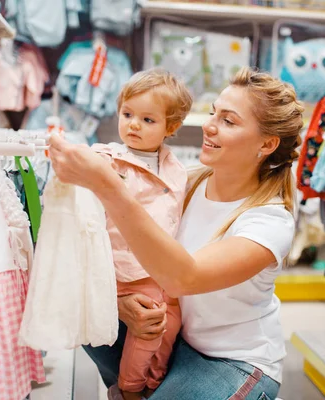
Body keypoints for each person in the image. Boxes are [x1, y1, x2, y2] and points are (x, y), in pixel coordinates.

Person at [49, 66, 303, 400]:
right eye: (213, 113)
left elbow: (184, 278)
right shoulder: (184, 182)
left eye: (228, 121)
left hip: (232, 361)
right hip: (174, 337)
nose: (209, 125)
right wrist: (122, 302)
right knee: (87, 318)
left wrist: (109, 185)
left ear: (267, 143)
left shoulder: (269, 221)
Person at [90, 68, 193, 400]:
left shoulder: (177, 170)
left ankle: (154, 379)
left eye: (148, 120)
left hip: (161, 268)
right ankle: (129, 388)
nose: (133, 124)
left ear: (170, 128)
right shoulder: (108, 160)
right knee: (149, 327)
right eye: (128, 114)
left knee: (171, 325)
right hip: (123, 265)